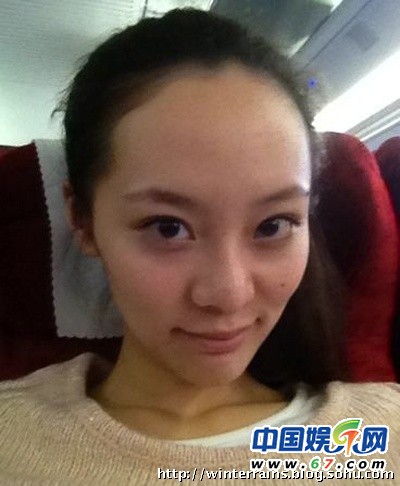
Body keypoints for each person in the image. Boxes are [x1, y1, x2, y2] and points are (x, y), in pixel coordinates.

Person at [0, 8, 399, 485]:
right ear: (83, 222)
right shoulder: (11, 435)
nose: (229, 295)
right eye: (168, 228)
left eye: (273, 225)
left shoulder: (375, 436)